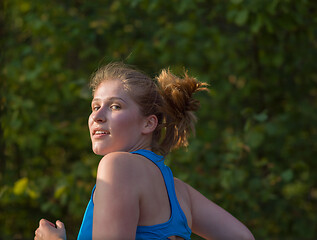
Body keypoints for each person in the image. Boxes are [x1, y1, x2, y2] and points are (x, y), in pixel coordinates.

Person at [34, 62, 255, 240]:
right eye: (95, 106)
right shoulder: (180, 192)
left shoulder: (116, 166)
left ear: (148, 124)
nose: (97, 116)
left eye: (115, 106)